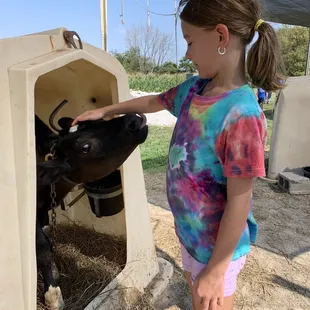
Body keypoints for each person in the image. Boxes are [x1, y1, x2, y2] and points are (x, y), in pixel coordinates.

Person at [72, 0, 286, 309]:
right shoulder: (195, 89)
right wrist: (106, 111)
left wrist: (215, 270)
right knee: (195, 293)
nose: (186, 53)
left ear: (221, 37)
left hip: (216, 250)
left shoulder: (242, 115)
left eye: (190, 42)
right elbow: (153, 102)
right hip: (191, 236)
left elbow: (240, 202)